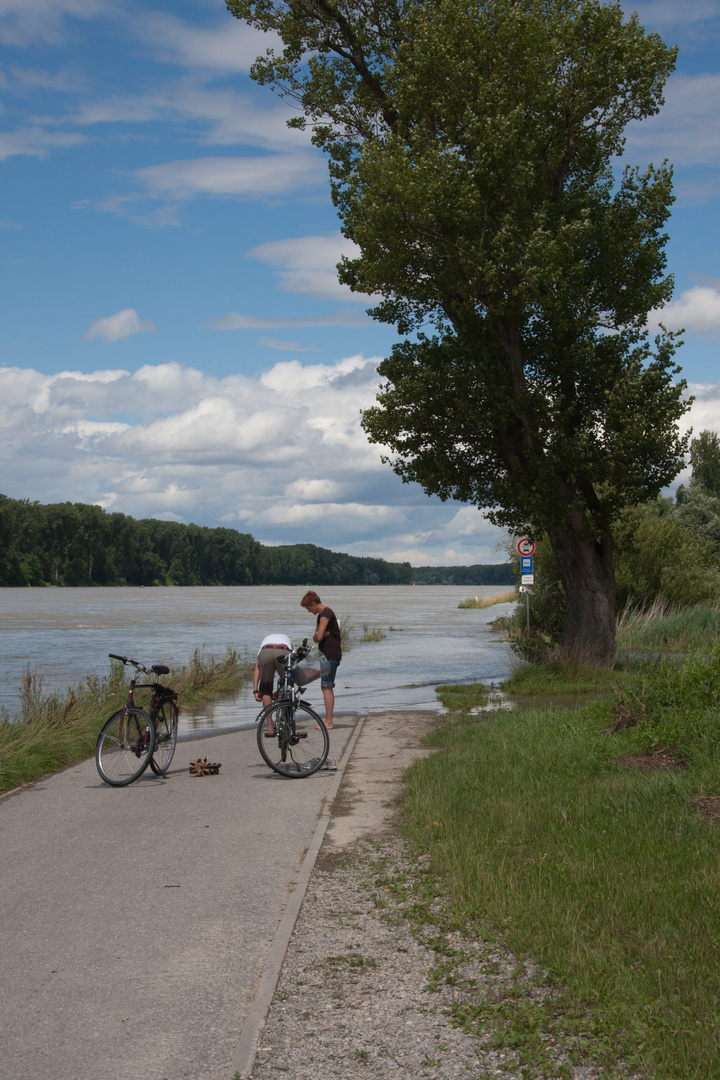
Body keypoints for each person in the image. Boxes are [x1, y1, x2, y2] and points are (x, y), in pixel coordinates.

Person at [300, 591, 341, 730]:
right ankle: (328, 720)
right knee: (325, 686)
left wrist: (319, 634)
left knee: (327, 687)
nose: (308, 611)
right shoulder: (322, 616)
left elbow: (319, 636)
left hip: (330, 654)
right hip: (327, 654)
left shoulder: (326, 614)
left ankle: (328, 722)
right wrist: (319, 635)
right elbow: (316, 637)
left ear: (313, 604)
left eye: (308, 608)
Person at [253, 633, 293, 726]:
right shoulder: (288, 640)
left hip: (266, 652)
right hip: (283, 651)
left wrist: (256, 690)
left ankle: (270, 724)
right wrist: (280, 690)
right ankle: (286, 722)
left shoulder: (264, 644)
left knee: (266, 689)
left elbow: (256, 670)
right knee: (289, 683)